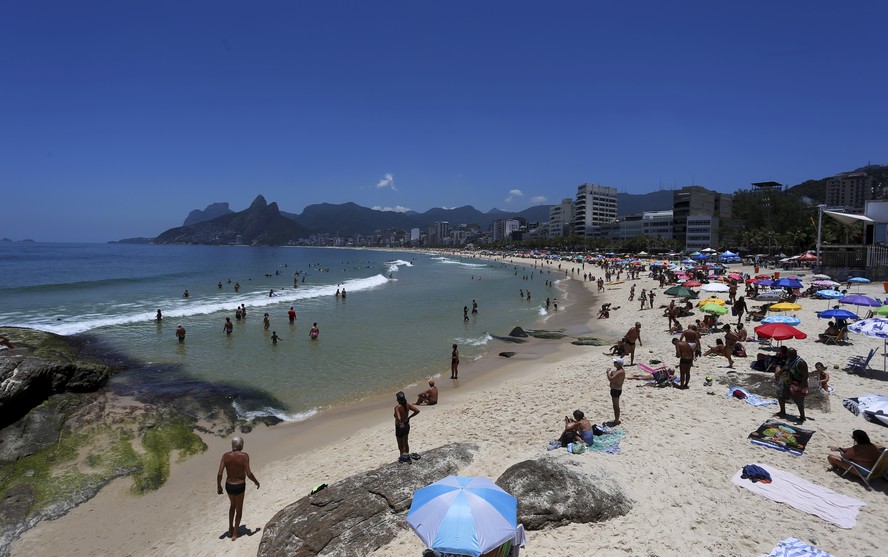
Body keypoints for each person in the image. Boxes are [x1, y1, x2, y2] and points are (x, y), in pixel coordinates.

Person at [217, 436, 260, 541]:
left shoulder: (225, 456)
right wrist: (256, 481)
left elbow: (219, 473)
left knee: (232, 505)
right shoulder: (244, 456)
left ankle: (230, 529)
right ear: (240, 445)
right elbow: (248, 473)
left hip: (229, 485)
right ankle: (235, 534)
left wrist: (219, 486)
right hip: (240, 485)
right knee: (239, 509)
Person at [774, 347, 809, 423]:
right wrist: (779, 372)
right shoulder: (789, 359)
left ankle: (802, 417)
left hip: (798, 383)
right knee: (781, 395)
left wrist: (800, 387)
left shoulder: (801, 363)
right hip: (789, 380)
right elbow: (786, 367)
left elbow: (805, 376)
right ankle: (782, 411)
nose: (787, 355)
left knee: (799, 400)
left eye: (788, 354)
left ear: (793, 354)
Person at [394, 391, 420, 462]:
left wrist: (400, 423)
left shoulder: (397, 407)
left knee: (401, 445)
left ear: (398, 399)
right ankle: (407, 456)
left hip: (400, 427)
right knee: (406, 442)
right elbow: (417, 411)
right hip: (406, 424)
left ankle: (403, 458)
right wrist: (409, 418)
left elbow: (399, 418)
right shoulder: (407, 405)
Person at [606, 358, 625, 425]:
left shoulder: (620, 372)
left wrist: (607, 372)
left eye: (615, 362)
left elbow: (610, 379)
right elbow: (613, 377)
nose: (614, 363)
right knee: (615, 405)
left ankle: (616, 421)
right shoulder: (618, 370)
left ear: (619, 364)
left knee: (616, 406)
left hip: (616, 390)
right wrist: (611, 373)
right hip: (614, 389)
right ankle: (616, 419)